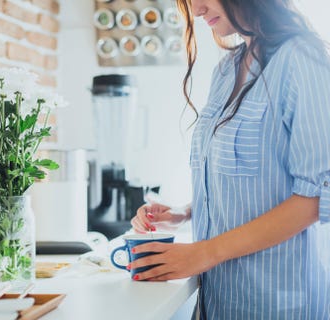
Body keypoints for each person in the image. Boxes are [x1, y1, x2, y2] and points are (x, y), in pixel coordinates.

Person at [129, 0, 330, 319]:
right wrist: (183, 213)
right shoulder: (226, 69)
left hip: (279, 304)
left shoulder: (303, 58)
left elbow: (315, 198)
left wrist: (202, 253)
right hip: (221, 300)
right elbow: (252, 184)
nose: (195, 10)